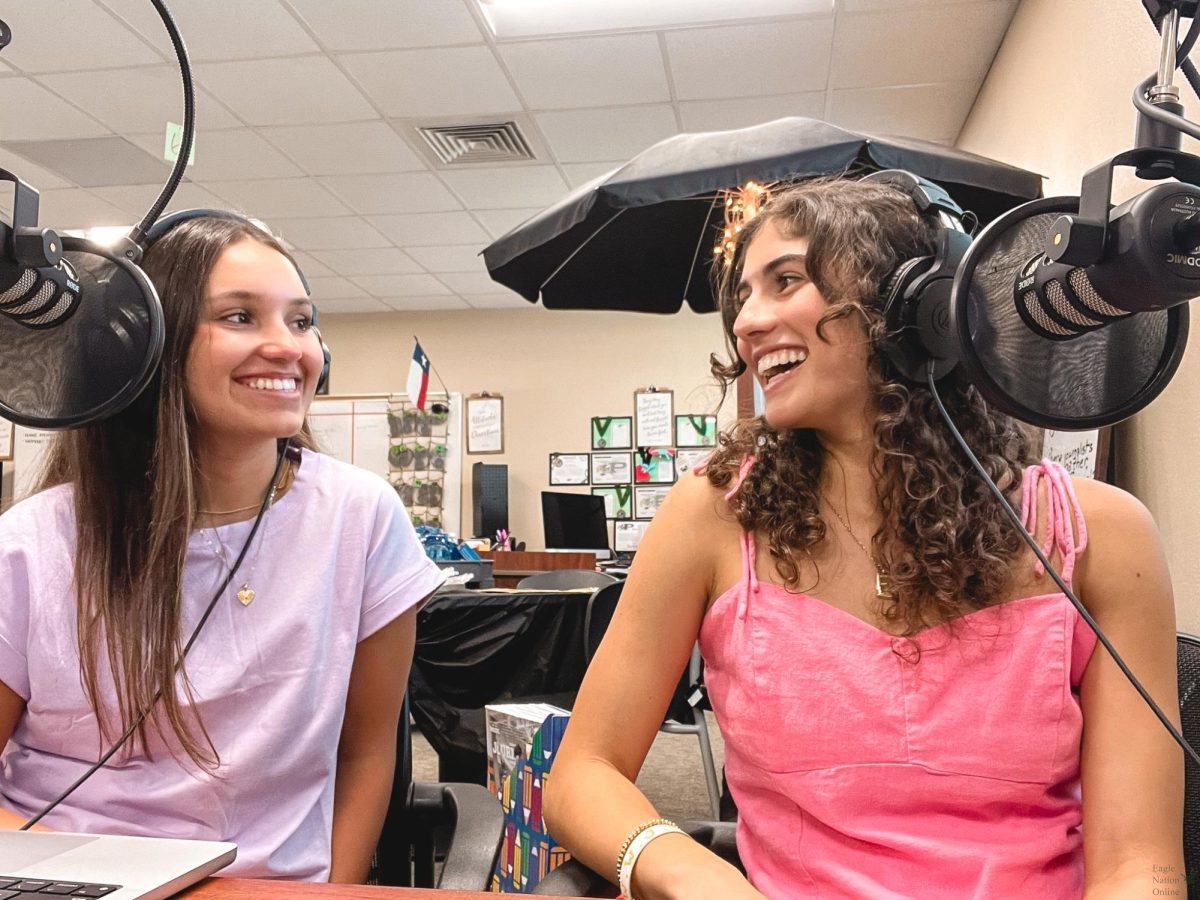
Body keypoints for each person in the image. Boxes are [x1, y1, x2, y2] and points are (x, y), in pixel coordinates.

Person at [543, 177, 1184, 899]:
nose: (749, 321)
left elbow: (1141, 866)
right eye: (744, 296)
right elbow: (580, 776)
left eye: (786, 281)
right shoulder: (712, 520)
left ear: (922, 308)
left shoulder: (1100, 538)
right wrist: (695, 878)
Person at [0, 214, 445, 882]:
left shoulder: (360, 517)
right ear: (139, 348)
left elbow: (366, 754)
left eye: (301, 321)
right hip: (66, 877)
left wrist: (335, 897)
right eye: (240, 317)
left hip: (269, 888)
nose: (287, 347)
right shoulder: (34, 544)